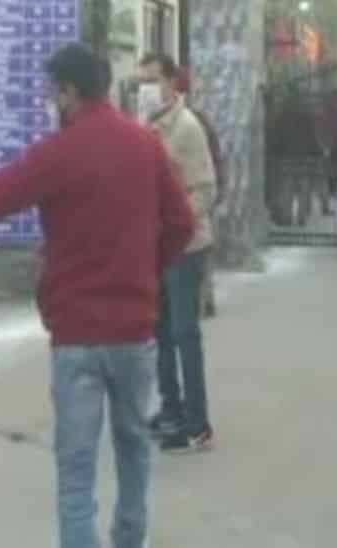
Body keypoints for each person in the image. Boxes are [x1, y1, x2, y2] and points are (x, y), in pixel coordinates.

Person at [0, 42, 195, 548]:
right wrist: (145, 272)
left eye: (52, 94)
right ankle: (130, 539)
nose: (50, 104)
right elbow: (182, 224)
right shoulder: (145, 145)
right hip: (134, 331)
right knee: (135, 448)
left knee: (76, 471)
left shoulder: (56, 155)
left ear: (69, 92)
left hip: (75, 336)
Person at [139, 53, 217, 453]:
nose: (146, 90)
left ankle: (197, 423)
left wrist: (177, 224)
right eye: (141, 83)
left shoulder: (186, 128)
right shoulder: (146, 129)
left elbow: (205, 189)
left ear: (172, 83)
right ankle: (170, 408)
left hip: (186, 246)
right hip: (156, 246)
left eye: (153, 81)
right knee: (161, 332)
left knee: (185, 333)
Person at [174, 66, 222, 319]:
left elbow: (212, 156)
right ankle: (206, 296)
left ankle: (204, 296)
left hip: (196, 190)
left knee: (199, 244)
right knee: (203, 246)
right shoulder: (199, 119)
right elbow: (217, 155)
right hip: (198, 191)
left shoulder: (190, 123)